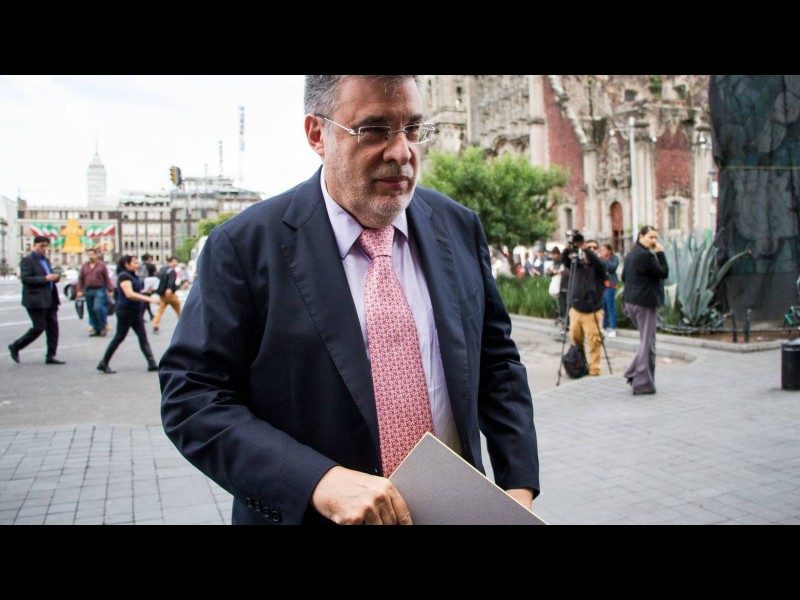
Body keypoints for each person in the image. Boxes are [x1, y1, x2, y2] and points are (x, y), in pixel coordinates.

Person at [159, 75, 540, 526]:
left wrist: (518, 487)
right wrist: (316, 481)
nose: (401, 152)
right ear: (317, 134)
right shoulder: (243, 247)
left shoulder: (457, 226)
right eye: (374, 130)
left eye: (413, 129)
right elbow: (193, 397)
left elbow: (498, 363)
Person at [622, 225, 669, 395]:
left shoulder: (631, 254)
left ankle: (633, 373)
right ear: (641, 236)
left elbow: (623, 277)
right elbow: (663, 272)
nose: (654, 241)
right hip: (644, 303)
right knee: (648, 343)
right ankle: (642, 383)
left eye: (656, 238)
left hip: (631, 302)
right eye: (651, 237)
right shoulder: (647, 256)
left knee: (645, 341)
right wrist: (661, 253)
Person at [96, 255, 161, 374]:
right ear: (127, 264)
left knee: (142, 337)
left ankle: (152, 363)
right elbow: (129, 294)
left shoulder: (133, 275)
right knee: (119, 337)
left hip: (135, 310)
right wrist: (150, 299)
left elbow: (137, 291)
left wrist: (148, 291)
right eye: (134, 262)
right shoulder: (124, 276)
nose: (137, 264)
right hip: (125, 311)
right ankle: (104, 362)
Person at [7, 235, 65, 364]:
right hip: (35, 299)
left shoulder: (46, 260)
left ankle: (51, 355)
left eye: (46, 246)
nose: (44, 249)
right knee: (39, 327)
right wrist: (45, 279)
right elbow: (26, 279)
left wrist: (55, 278)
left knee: (53, 328)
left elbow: (48, 277)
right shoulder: (28, 260)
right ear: (34, 246)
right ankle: (16, 346)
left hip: (50, 298)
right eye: (41, 246)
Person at [563, 237, 606, 376]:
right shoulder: (577, 265)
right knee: (575, 340)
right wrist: (569, 246)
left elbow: (597, 261)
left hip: (592, 311)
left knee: (594, 342)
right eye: (589, 247)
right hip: (576, 309)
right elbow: (564, 260)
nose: (591, 250)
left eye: (594, 248)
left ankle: (594, 369)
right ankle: (580, 365)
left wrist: (585, 248)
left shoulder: (600, 266)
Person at [75, 248, 115, 337]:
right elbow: (80, 279)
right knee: (91, 310)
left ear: (96, 255)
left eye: (92, 254)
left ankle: (102, 327)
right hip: (88, 290)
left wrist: (110, 289)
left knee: (98, 308)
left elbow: (107, 278)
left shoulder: (101, 265)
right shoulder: (84, 266)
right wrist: (79, 290)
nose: (90, 256)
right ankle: (96, 329)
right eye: (89, 255)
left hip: (99, 289)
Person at [152, 256, 181, 334]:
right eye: (175, 261)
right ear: (171, 262)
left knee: (160, 311)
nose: (176, 263)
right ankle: (184, 323)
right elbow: (171, 282)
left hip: (162, 293)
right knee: (179, 309)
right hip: (169, 294)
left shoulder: (162, 269)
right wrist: (169, 289)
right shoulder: (171, 271)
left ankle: (155, 326)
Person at [599, 243, 619, 338]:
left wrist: (604, 261)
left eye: (604, 250)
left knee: (610, 305)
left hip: (610, 284)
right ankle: (604, 326)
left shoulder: (614, 258)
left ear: (609, 251)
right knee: (604, 307)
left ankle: (612, 327)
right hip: (602, 284)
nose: (602, 252)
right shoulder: (601, 259)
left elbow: (612, 268)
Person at [138, 254, 157, 322]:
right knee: (146, 301)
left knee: (146, 300)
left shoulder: (140, 266)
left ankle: (150, 315)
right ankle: (141, 316)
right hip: (149, 284)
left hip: (142, 284)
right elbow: (155, 274)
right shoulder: (151, 266)